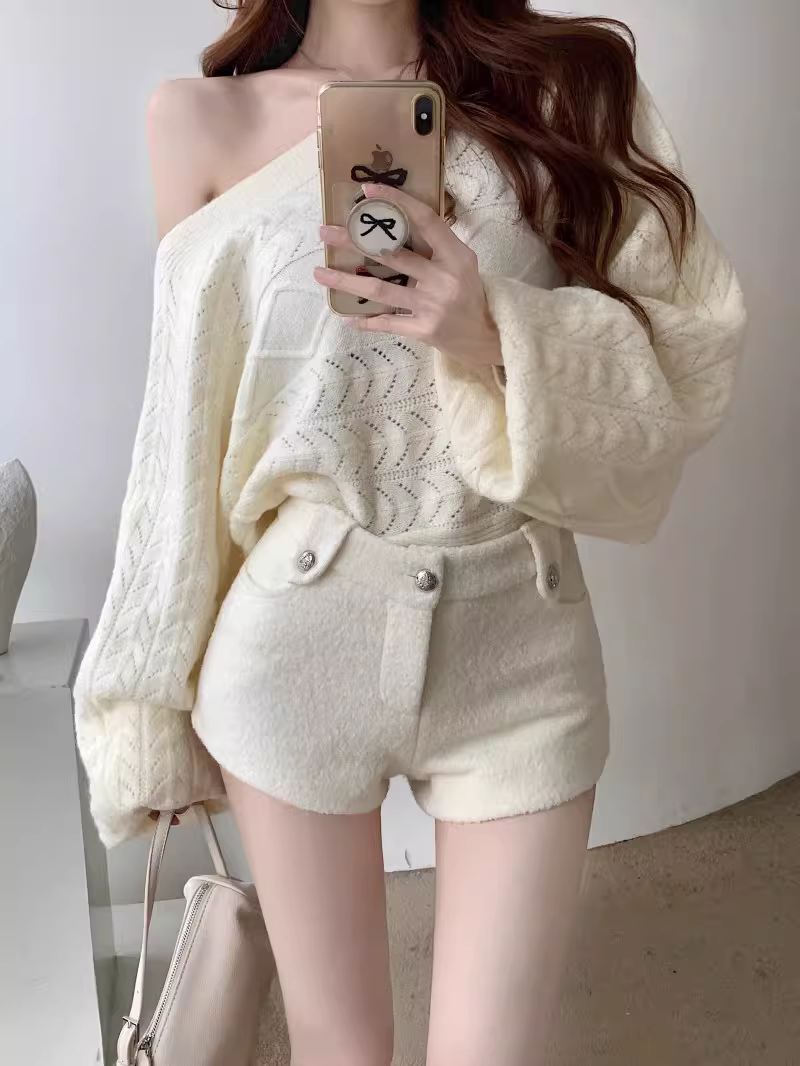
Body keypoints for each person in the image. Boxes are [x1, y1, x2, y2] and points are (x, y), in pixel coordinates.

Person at [74, 1, 746, 1063]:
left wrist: (493, 329)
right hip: (295, 638)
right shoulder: (199, 121)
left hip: (521, 642)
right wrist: (149, 701)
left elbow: (687, 354)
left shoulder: (566, 90)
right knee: (340, 1050)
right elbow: (184, 435)